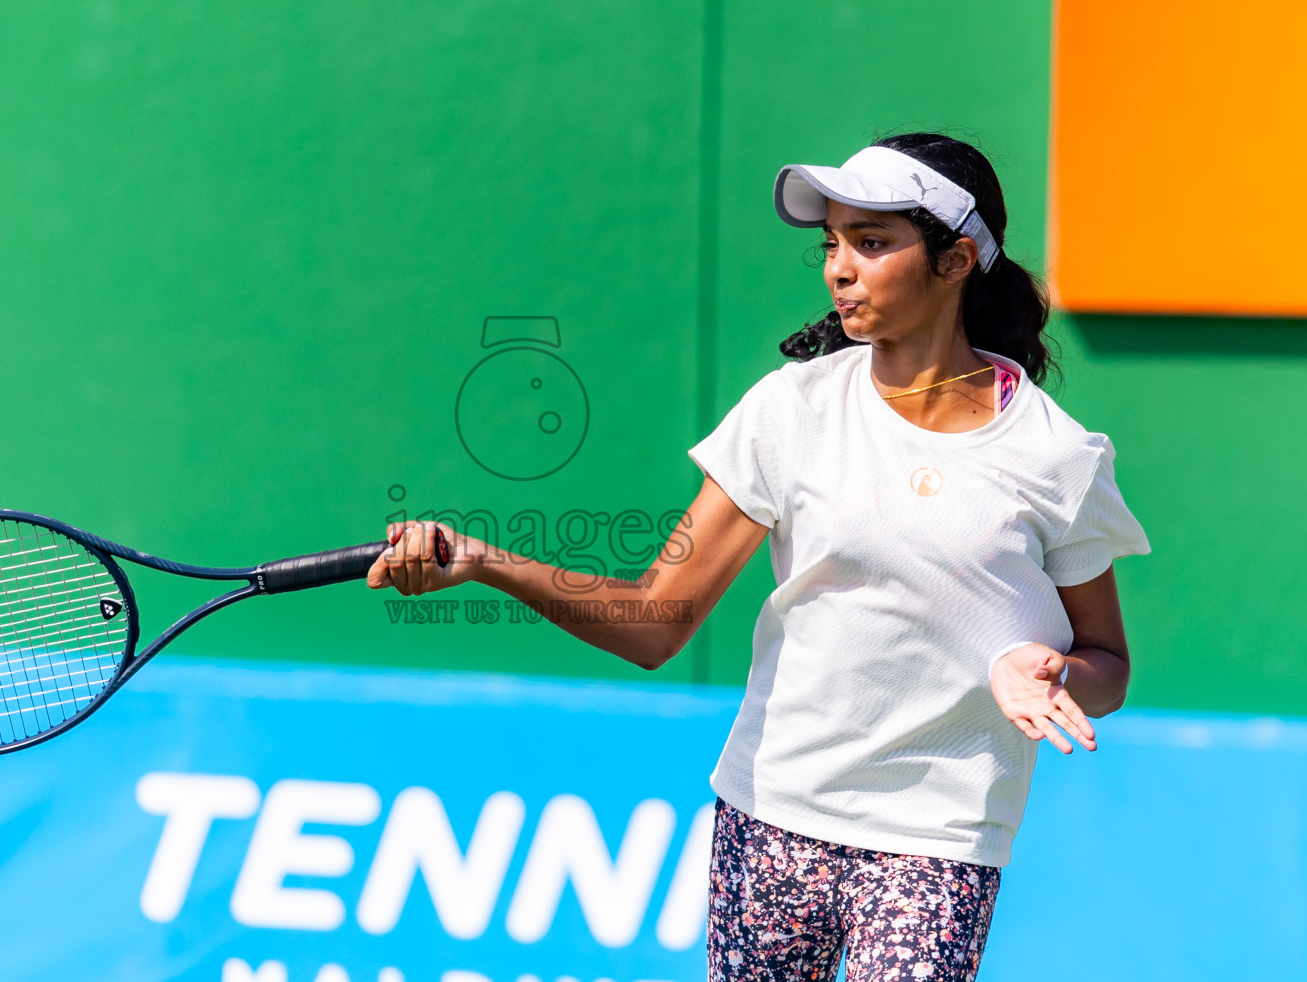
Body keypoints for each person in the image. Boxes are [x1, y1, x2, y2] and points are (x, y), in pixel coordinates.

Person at [367, 132, 1149, 981]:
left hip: (941, 837)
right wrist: (486, 561)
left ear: (956, 260)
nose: (838, 269)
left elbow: (1106, 663)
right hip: (771, 814)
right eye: (832, 244)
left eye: (873, 243)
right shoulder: (790, 411)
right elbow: (655, 621)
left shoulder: (1058, 457)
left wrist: (1055, 675)